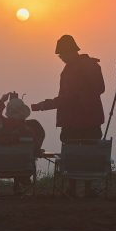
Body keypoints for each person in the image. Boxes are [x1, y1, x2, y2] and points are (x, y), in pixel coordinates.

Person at [31, 35, 105, 197]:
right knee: (89, 155)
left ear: (68, 52)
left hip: (72, 121)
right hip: (92, 120)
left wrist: (41, 106)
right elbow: (101, 89)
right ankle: (87, 188)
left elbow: (66, 98)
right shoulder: (92, 65)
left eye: (62, 55)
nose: (61, 59)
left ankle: (71, 188)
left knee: (72, 155)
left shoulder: (71, 70)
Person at [0, 92, 45, 194]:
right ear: (23, 113)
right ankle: (18, 184)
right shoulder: (28, 130)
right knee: (20, 156)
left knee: (2, 154)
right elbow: (35, 147)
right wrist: (38, 150)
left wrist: (2, 101)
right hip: (20, 167)